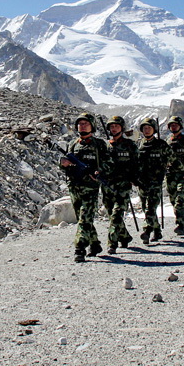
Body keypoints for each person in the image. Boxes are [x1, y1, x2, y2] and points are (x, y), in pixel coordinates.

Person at [60, 112, 112, 263]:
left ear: (92, 126)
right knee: (84, 219)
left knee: (84, 219)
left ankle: (80, 248)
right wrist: (63, 164)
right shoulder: (73, 144)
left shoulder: (99, 144)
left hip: (90, 188)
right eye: (80, 124)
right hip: (74, 187)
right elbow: (67, 164)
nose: (82, 126)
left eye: (85, 123)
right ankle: (95, 244)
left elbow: (109, 163)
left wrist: (99, 171)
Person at [135, 117, 176, 245]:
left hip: (155, 181)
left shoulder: (161, 145)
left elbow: (173, 159)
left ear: (154, 129)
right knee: (144, 207)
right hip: (142, 182)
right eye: (144, 128)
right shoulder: (139, 144)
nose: (147, 130)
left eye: (149, 128)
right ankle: (157, 230)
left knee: (150, 208)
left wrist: (177, 172)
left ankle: (146, 231)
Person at [102, 115, 137, 254]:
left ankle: (112, 243)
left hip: (123, 185)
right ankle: (125, 236)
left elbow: (136, 164)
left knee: (117, 214)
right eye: (111, 126)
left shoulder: (130, 145)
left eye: (116, 126)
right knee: (112, 215)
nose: (114, 128)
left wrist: (135, 178)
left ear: (122, 128)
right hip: (107, 185)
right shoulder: (105, 146)